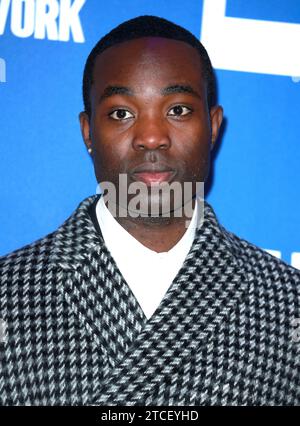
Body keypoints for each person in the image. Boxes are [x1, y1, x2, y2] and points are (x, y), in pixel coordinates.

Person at [0, 15, 299, 406]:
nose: (152, 136)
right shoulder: (10, 295)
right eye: (122, 113)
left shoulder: (286, 305)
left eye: (177, 109)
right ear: (88, 132)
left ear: (212, 126)